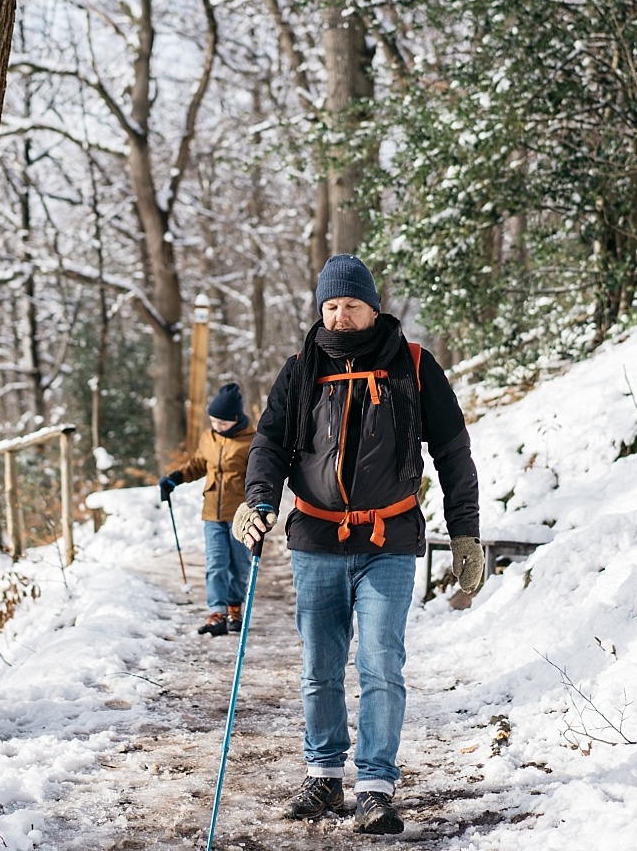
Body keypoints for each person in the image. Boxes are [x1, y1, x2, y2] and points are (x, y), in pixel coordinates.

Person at [232, 253, 486, 836]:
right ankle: (323, 774)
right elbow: (269, 443)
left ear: (373, 308)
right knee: (320, 665)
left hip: (387, 539)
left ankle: (375, 785)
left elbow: (453, 455)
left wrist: (465, 531)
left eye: (350, 305)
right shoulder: (301, 369)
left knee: (380, 663)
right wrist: (260, 498)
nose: (340, 317)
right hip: (317, 537)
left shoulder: (415, 367)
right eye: (330, 306)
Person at [159, 382, 256, 636]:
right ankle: (217, 612)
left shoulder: (252, 441)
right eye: (213, 421)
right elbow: (199, 464)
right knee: (216, 563)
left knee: (239, 565)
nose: (217, 427)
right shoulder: (209, 437)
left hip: (240, 515)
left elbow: (260, 476)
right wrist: (175, 478)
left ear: (236, 419)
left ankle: (235, 607)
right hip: (212, 511)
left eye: (222, 423)